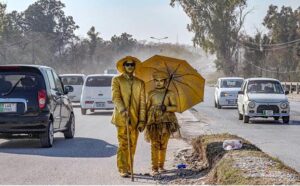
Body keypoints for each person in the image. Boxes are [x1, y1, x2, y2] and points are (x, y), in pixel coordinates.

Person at [111, 56, 146, 178]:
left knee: (133, 144)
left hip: (135, 120)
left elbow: (142, 103)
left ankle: (129, 167)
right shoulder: (117, 80)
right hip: (121, 118)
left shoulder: (140, 83)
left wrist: (142, 120)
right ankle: (122, 168)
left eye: (132, 65)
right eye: (127, 64)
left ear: (134, 66)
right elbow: (116, 97)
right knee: (123, 144)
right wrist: (122, 110)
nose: (130, 66)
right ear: (124, 66)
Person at [144, 71, 180, 176]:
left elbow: (175, 107)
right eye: (157, 81)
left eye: (161, 81)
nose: (159, 83)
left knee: (163, 145)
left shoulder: (170, 93)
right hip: (153, 122)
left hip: (166, 122)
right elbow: (146, 107)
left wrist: (166, 107)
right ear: (154, 81)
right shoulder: (151, 93)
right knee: (154, 145)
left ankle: (161, 166)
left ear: (165, 82)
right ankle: (154, 168)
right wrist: (143, 120)